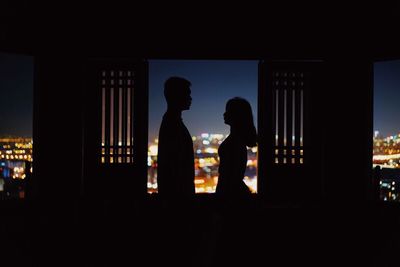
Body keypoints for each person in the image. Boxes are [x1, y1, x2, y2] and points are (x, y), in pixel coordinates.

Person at [157, 76, 195, 197]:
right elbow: (174, 165)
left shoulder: (172, 121)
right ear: (177, 95)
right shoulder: (172, 124)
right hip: (178, 195)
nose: (190, 98)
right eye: (187, 94)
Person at [215, 97, 257, 198]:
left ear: (237, 115)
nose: (224, 114)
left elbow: (230, 176)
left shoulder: (235, 142)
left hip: (230, 194)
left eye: (228, 111)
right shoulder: (237, 139)